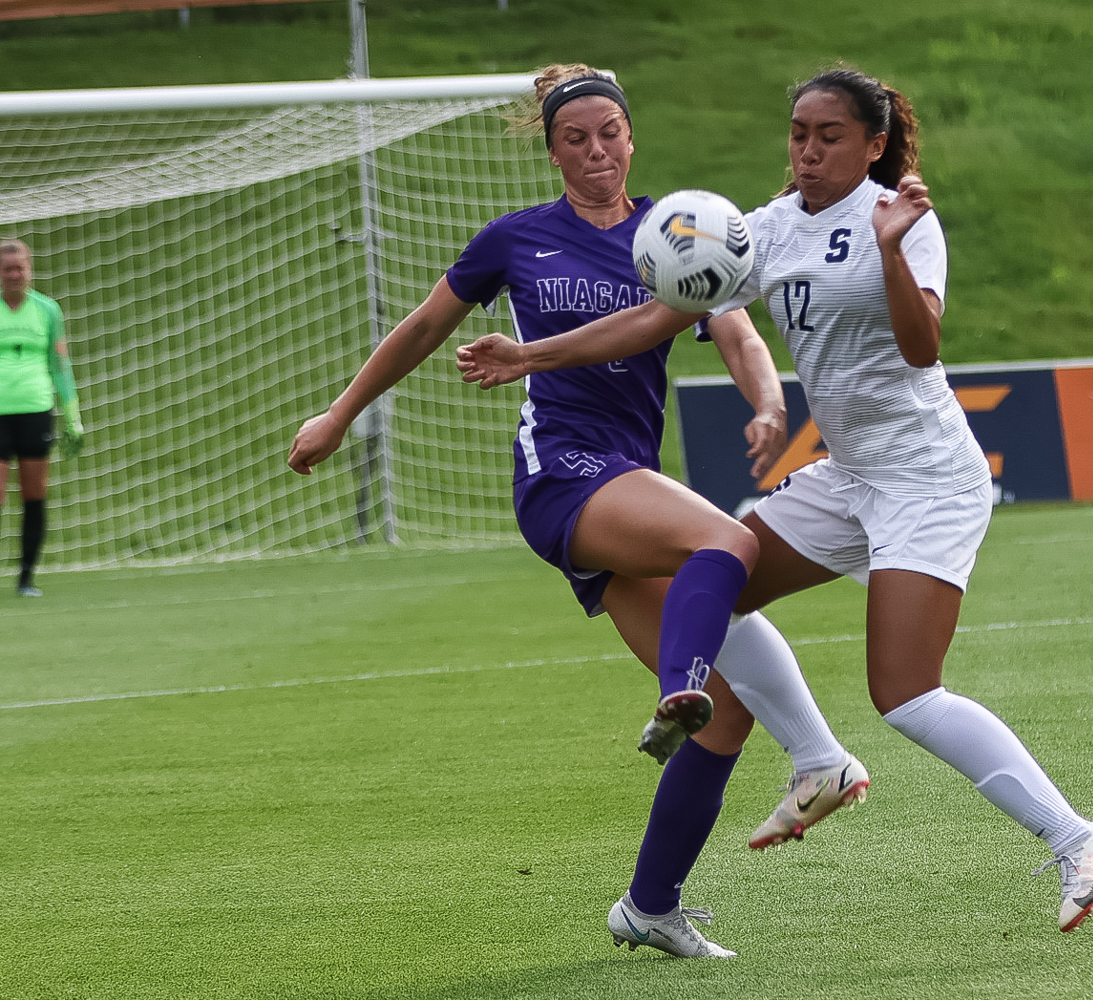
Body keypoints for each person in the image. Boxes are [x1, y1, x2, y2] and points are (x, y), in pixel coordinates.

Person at [457, 66, 1093, 934]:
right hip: (847, 477)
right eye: (799, 134)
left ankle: (1077, 836)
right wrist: (532, 356)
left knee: (907, 694)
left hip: (926, 480)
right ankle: (818, 763)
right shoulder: (766, 230)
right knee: (714, 576)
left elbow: (922, 350)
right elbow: (655, 318)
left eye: (830, 136)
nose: (808, 151)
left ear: (874, 146)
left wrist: (888, 248)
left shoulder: (905, 217)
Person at [288, 65, 866, 958]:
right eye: (575, 138)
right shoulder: (516, 239)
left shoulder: (678, 229)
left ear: (632, 137)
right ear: (552, 148)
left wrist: (765, 402)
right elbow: (419, 329)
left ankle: (650, 906)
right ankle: (777, 737)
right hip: (558, 473)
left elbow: (739, 328)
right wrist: (338, 414)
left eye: (609, 133)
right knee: (723, 540)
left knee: (728, 712)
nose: (595, 151)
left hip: (627, 474)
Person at [1, 239, 84, 598]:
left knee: (34, 495)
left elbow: (59, 365)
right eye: (7, 269)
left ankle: (26, 578)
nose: (15, 274)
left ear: (29, 269)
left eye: (20, 267)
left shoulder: (48, 310)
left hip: (36, 410)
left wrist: (73, 416)